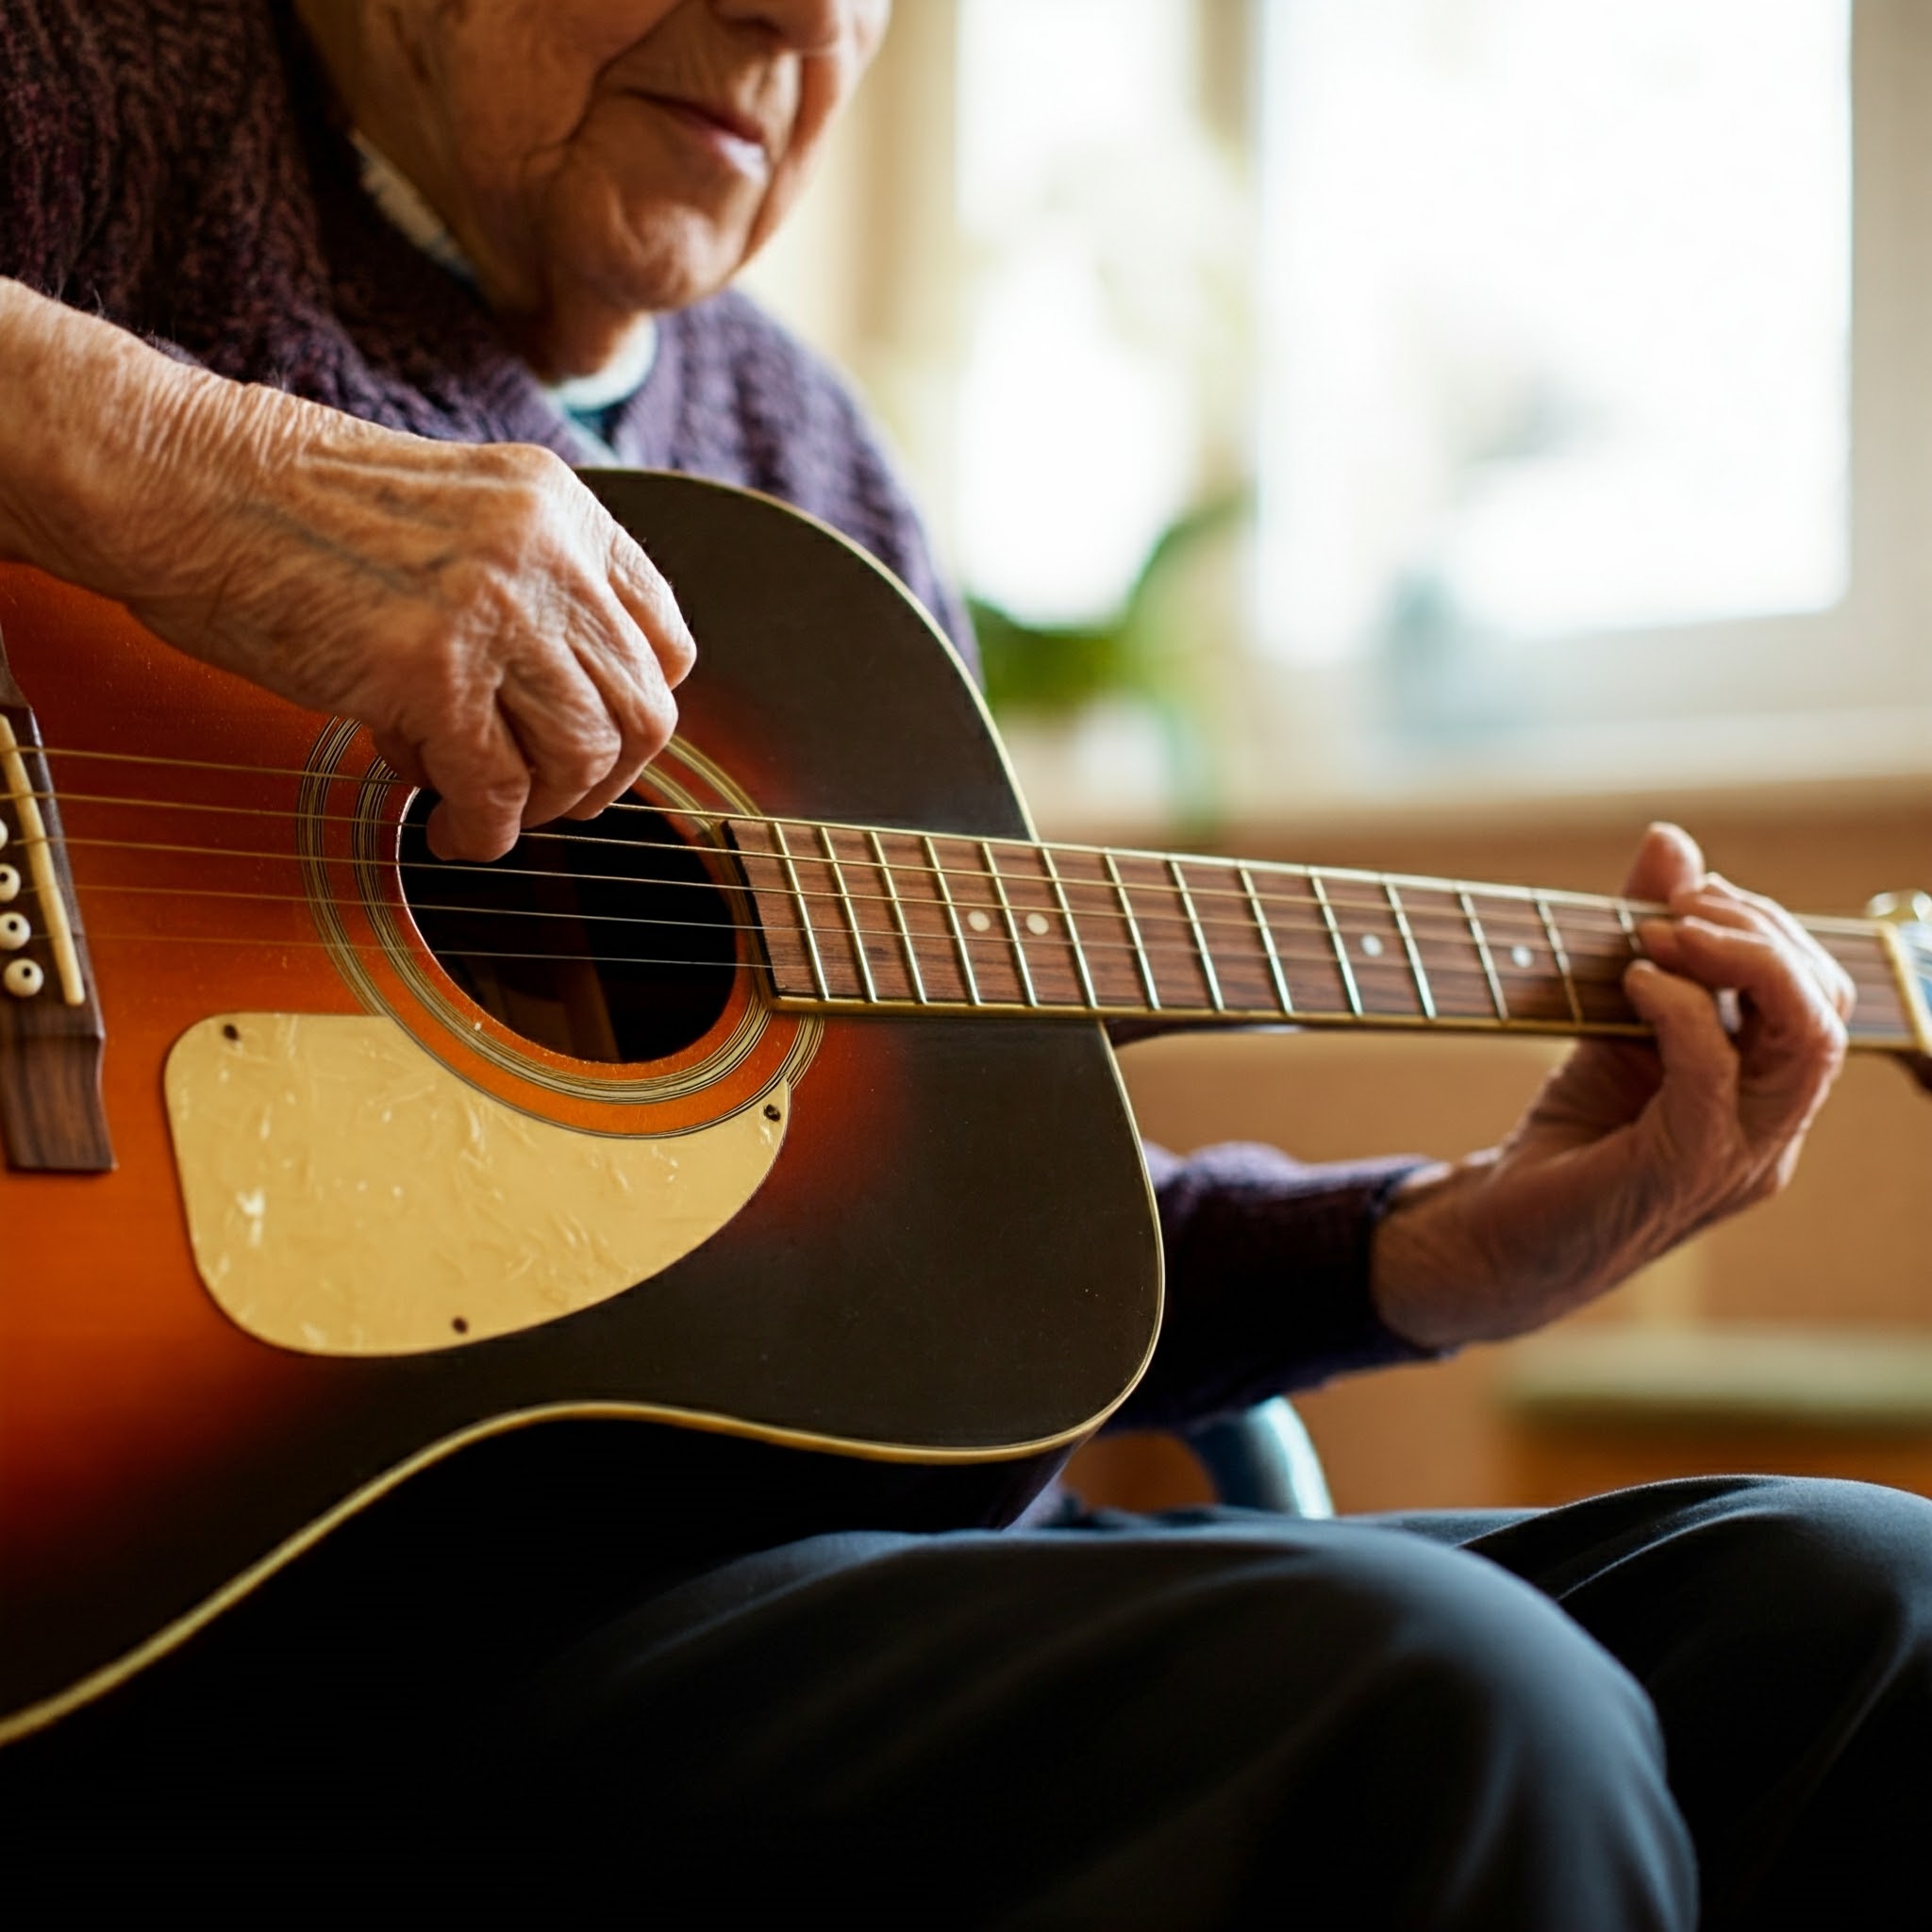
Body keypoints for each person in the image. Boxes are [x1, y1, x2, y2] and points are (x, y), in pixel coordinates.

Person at [0, 3, 1926, 1925]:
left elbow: (913, 1266)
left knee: (1865, 1601)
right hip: (325, 1638)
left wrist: (1435, 1246)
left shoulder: (802, 467)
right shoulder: (100, 94)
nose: (800, 22)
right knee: (1444, 1698)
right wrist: (190, 470)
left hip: (809, 1575)